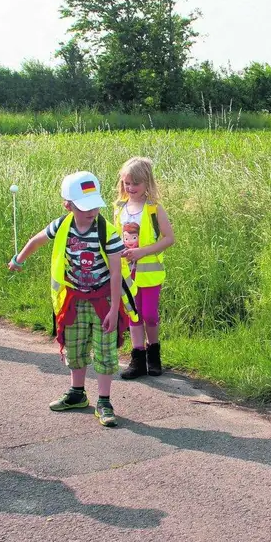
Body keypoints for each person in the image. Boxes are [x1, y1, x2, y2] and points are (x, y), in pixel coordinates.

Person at [8, 171, 126, 428]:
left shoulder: (108, 232)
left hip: (103, 302)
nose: (92, 211)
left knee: (104, 351)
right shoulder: (61, 226)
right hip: (73, 300)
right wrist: (19, 259)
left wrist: (115, 309)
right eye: (85, 207)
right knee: (74, 347)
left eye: (95, 205)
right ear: (67, 205)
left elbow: (116, 273)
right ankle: (77, 393)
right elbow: (36, 241)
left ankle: (104, 401)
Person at [113, 157, 176, 379]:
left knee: (149, 314)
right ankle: (137, 358)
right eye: (126, 183)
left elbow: (169, 239)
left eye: (135, 184)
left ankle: (154, 354)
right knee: (134, 314)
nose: (130, 188)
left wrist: (142, 252)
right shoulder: (119, 208)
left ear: (147, 183)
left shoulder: (154, 209)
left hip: (149, 274)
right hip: (125, 273)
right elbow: (114, 237)